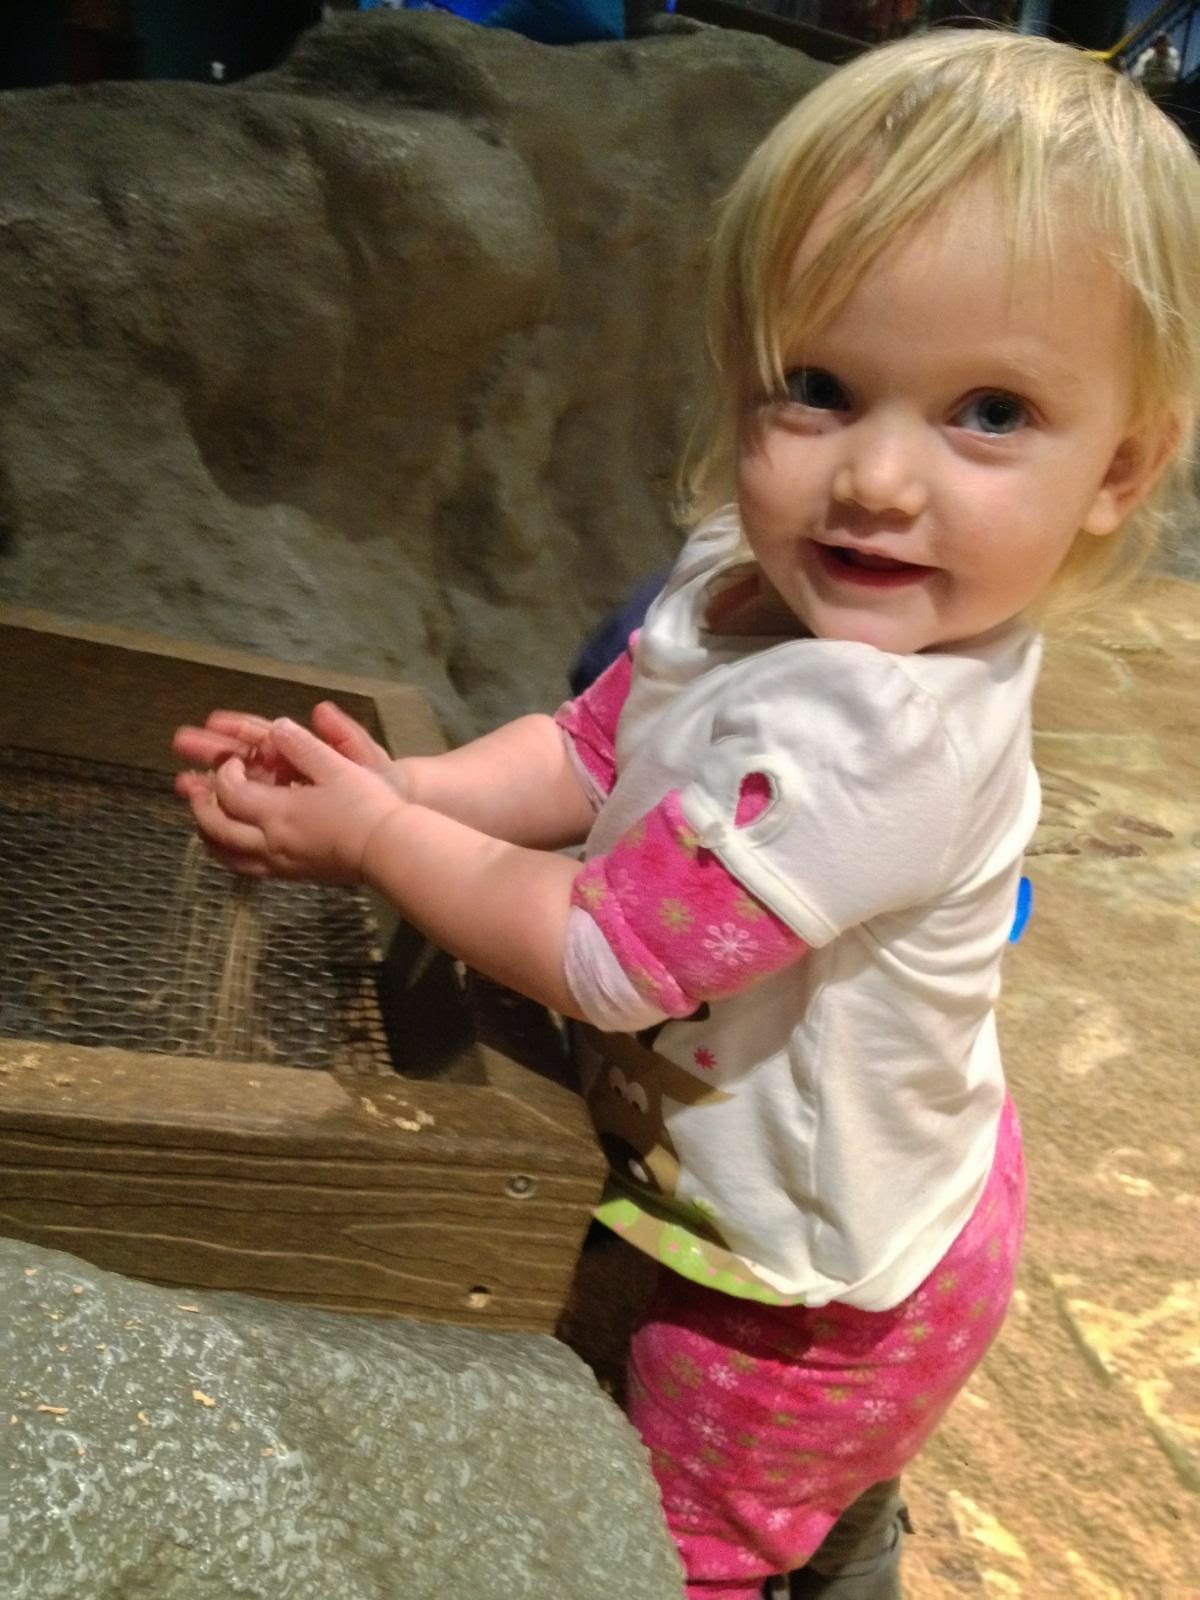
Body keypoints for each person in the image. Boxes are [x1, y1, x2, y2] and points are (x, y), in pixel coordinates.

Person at [173, 30, 1200, 1599]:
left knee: (678, 1549)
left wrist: (375, 842)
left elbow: (605, 956)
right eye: (819, 388)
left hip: (811, 1299)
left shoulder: (885, 735)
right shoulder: (749, 575)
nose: (876, 479)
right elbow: (594, 750)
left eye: (988, 411)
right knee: (797, 1495)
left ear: (1118, 469)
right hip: (825, 1176)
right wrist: (403, 787)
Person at [1131, 30, 1181, 101]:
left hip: (1163, 90)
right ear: (1155, 46)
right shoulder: (1148, 55)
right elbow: (1136, 75)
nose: (1161, 46)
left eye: (1164, 43)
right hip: (1147, 89)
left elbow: (1173, 77)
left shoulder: (1173, 55)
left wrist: (1165, 62)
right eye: (1159, 43)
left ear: (1168, 44)